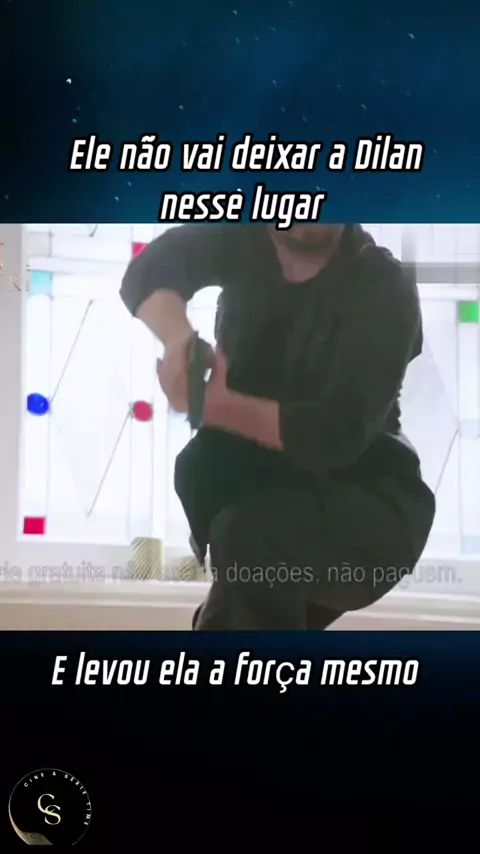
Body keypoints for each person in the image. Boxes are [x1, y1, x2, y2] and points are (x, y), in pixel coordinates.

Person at [120, 223, 435, 630]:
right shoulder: (241, 240)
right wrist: (179, 340)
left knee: (249, 543)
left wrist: (216, 407)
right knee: (234, 605)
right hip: (260, 498)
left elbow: (337, 435)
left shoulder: (383, 286)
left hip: (366, 512)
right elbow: (149, 269)